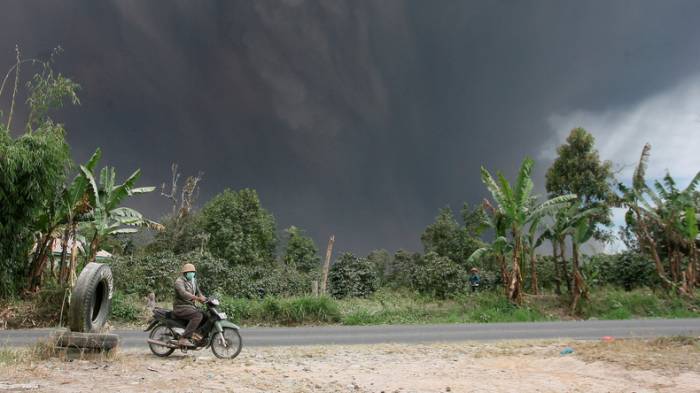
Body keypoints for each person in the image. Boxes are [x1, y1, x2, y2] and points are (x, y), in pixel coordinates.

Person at [173, 263, 207, 347]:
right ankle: (184, 338)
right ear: (185, 273)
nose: (192, 273)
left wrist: (205, 299)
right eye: (190, 272)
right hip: (180, 307)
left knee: (205, 314)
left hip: (190, 306)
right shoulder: (179, 282)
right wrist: (197, 298)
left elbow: (199, 293)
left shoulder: (193, 281)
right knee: (197, 316)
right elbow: (184, 293)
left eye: (193, 272)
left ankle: (197, 336)